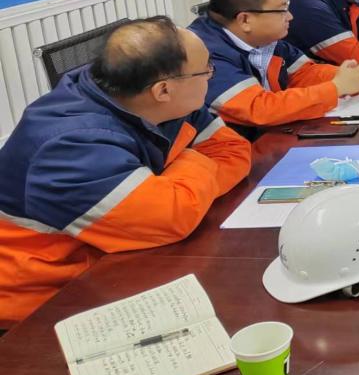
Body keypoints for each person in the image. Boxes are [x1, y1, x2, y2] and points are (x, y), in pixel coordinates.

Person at [0, 17, 251, 326]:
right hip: (42, 300)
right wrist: (191, 163)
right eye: (206, 70)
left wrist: (178, 189)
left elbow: (233, 151)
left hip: (112, 259)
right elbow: (171, 218)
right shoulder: (71, 146)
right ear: (163, 89)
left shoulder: (156, 100)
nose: (211, 76)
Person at [189, 0, 359, 136]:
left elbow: (303, 73)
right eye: (281, 10)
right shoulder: (203, 54)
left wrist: (349, 76)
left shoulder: (264, 40)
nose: (290, 16)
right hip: (232, 152)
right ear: (245, 20)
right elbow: (259, 108)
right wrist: (336, 88)